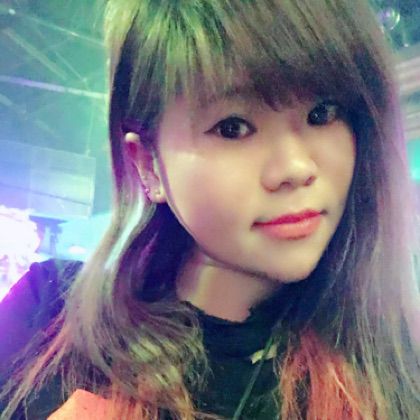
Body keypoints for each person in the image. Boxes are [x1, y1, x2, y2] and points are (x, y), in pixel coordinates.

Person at [1, 0, 420, 418]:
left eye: (322, 113)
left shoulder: (396, 368)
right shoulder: (48, 314)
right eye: (233, 128)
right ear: (148, 165)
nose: (295, 168)